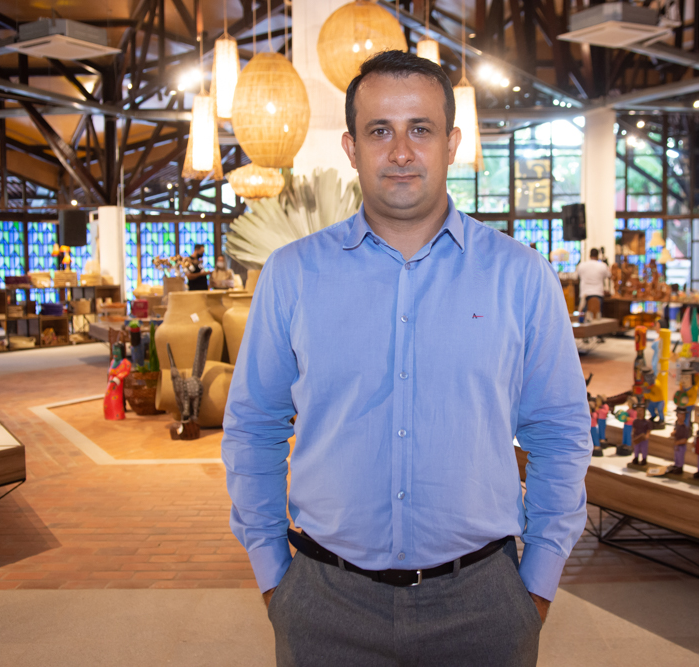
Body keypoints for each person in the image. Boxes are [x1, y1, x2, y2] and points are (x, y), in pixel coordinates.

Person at [222, 50, 591, 666]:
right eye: (379, 131)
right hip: (324, 600)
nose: (400, 151)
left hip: (484, 602)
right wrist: (272, 576)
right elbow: (254, 427)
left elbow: (558, 432)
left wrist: (537, 585)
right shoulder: (292, 275)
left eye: (420, 129)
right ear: (351, 147)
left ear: (452, 144)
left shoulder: (521, 276)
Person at [572, 248, 611, 320]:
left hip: (585, 293)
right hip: (597, 293)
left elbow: (575, 276)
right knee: (597, 319)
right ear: (598, 255)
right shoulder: (602, 265)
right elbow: (609, 275)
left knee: (585, 319)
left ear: (589, 255)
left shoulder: (582, 265)